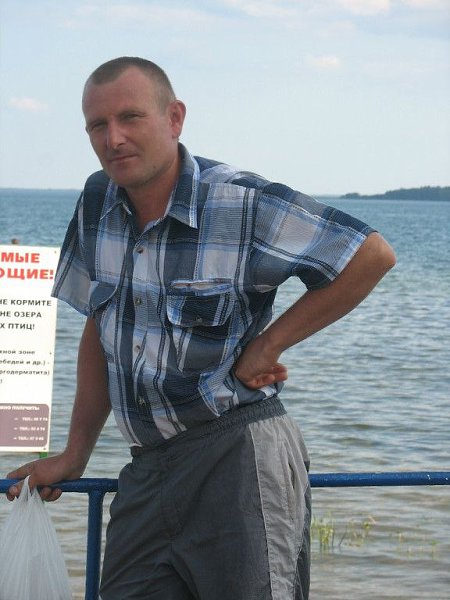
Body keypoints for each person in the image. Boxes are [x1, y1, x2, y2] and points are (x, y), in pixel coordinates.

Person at [7, 57, 396, 600]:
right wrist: (75, 455)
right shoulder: (97, 201)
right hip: (146, 468)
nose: (113, 138)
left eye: (130, 117)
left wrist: (269, 345)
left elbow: (369, 255)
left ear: (175, 118)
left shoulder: (241, 202)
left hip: (237, 457)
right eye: (97, 125)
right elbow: (101, 329)